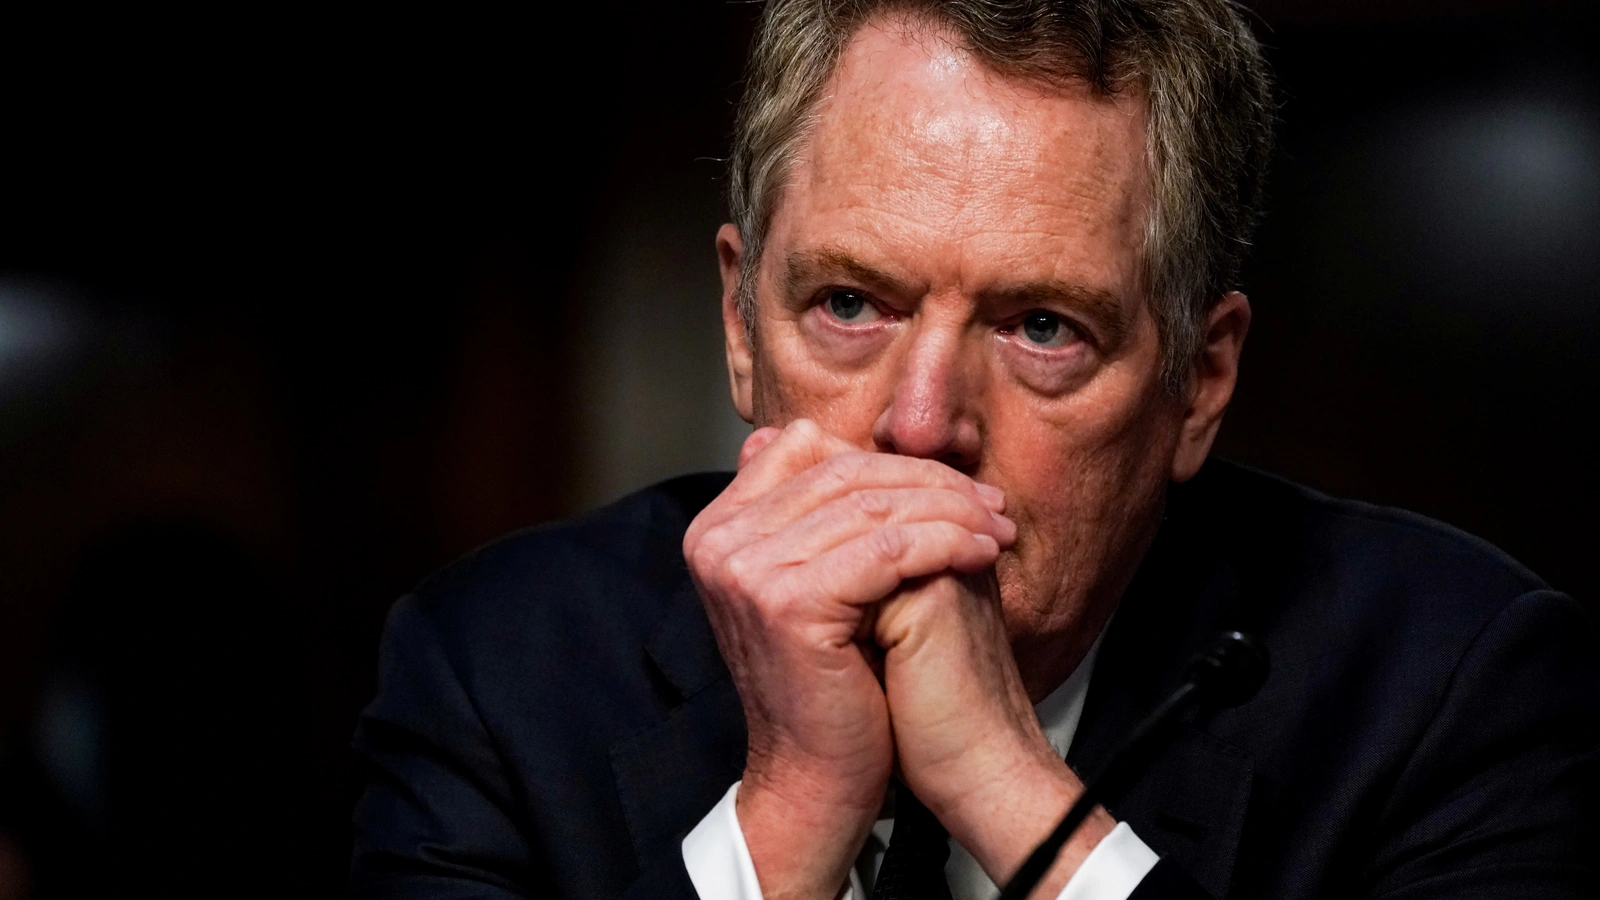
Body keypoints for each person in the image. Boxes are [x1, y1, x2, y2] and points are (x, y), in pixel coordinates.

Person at [350, 1, 1600, 898]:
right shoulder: (496, 670)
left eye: (1042, 327)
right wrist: (790, 814)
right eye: (849, 303)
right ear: (741, 327)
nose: (919, 425)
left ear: (1198, 383)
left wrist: (1007, 789)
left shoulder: (1449, 687)